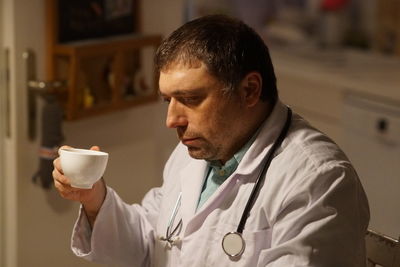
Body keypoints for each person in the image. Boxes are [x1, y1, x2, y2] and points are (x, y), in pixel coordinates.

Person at [53, 14, 369, 267]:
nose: (171, 120)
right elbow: (150, 246)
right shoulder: (192, 151)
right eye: (168, 101)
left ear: (249, 90)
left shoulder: (319, 180)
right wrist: (94, 199)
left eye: (190, 98)